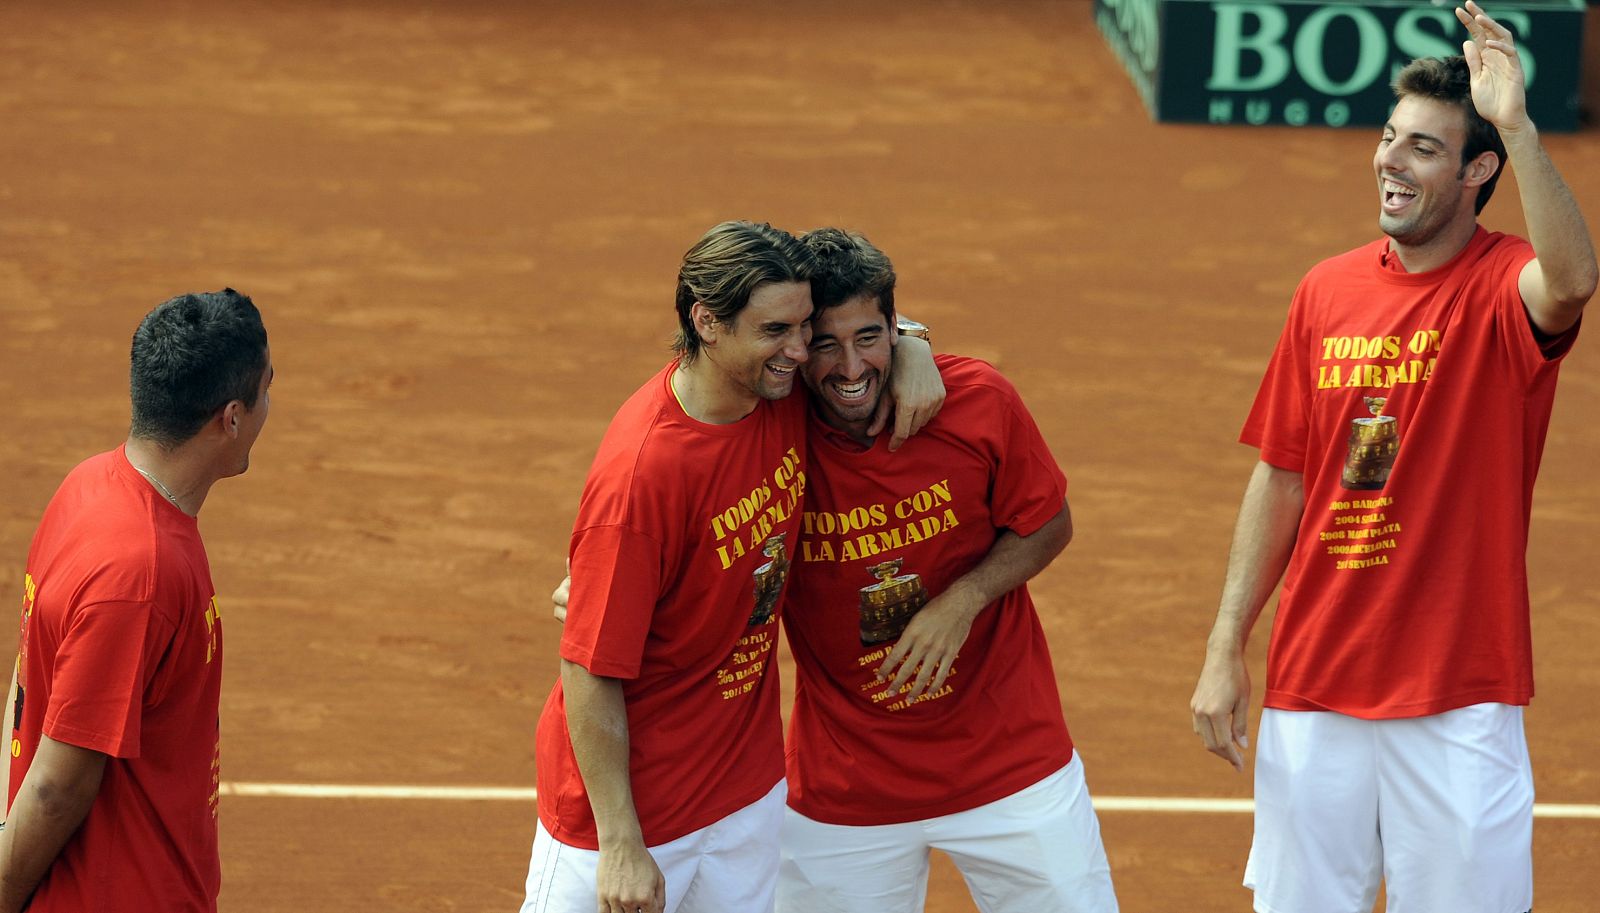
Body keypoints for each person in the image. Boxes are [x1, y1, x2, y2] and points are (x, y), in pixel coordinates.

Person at [1189, 5, 1597, 912]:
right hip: (1316, 683)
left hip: (1458, 693)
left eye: (1421, 148)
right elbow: (1282, 474)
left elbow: (1572, 282)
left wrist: (1521, 124)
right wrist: (1227, 645)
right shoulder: (1324, 290)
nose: (1389, 161)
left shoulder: (1503, 285)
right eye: (1388, 137)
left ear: (1475, 171)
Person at [521, 221, 941, 913]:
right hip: (635, 819)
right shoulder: (643, 477)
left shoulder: (778, 393)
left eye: (805, 327)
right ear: (707, 321)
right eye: (777, 330)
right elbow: (589, 668)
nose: (802, 351)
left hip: (745, 795)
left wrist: (915, 341)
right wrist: (622, 842)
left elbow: (861, 340)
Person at [774, 228, 1117, 912]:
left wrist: (964, 599)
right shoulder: (767, 430)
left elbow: (1049, 521)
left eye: (870, 338)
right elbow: (689, 405)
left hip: (1010, 763)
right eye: (825, 344)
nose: (850, 367)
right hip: (847, 787)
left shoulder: (977, 401)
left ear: (893, 327)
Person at [0, 289, 273, 913]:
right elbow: (56, 788)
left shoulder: (88, 485)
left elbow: (25, 684)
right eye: (266, 389)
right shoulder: (139, 572)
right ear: (231, 417)